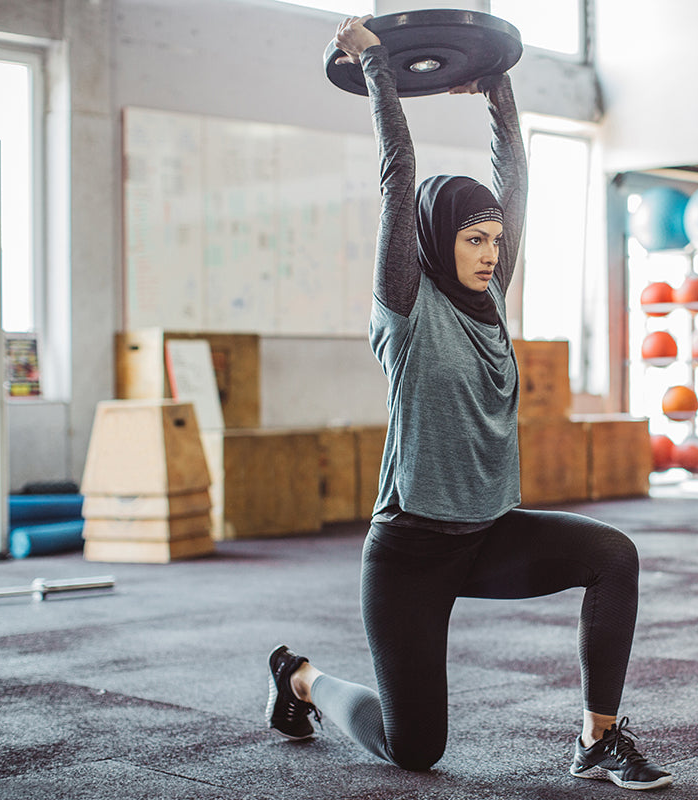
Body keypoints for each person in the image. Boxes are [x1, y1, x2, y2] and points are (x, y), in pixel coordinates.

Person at [265, 15, 673, 792]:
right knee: (415, 749)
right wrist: (379, 68)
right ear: (435, 238)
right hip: (410, 553)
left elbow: (512, 174)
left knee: (613, 555)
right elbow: (398, 173)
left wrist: (498, 86)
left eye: (495, 240)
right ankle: (301, 679)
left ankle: (598, 738)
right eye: (473, 239)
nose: (490, 253)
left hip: (488, 534)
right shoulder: (405, 308)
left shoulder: (494, 299)